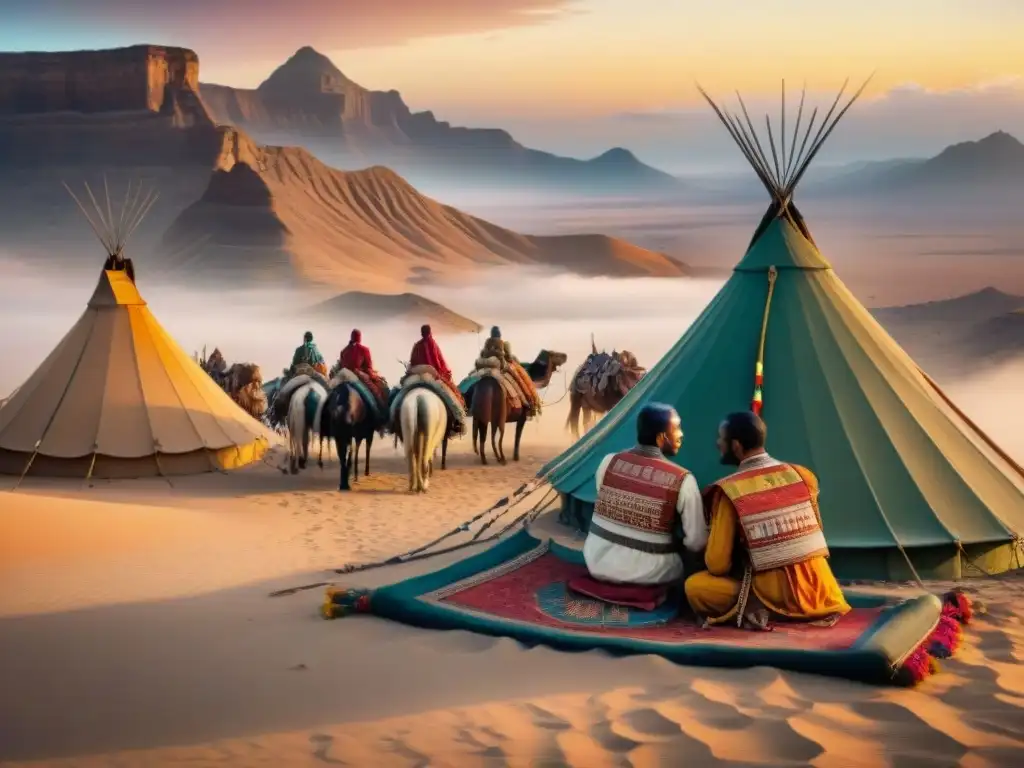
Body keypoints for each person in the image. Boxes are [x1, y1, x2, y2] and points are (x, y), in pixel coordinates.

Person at [684, 411, 850, 629]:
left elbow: (717, 565)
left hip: (774, 598)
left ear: (736, 445)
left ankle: (757, 611)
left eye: (720, 439)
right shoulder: (802, 475)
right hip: (822, 592)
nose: (717, 444)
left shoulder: (731, 490)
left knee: (695, 586)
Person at [583, 403, 706, 585]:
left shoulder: (608, 462)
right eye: (677, 428)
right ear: (661, 438)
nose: (681, 434)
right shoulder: (683, 479)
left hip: (596, 562)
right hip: (652, 572)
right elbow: (696, 542)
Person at [338, 329, 388, 414]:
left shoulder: (344, 351)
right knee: (375, 391)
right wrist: (373, 376)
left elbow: (342, 365)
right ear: (359, 338)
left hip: (343, 375)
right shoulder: (364, 350)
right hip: (358, 374)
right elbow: (368, 367)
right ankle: (380, 413)